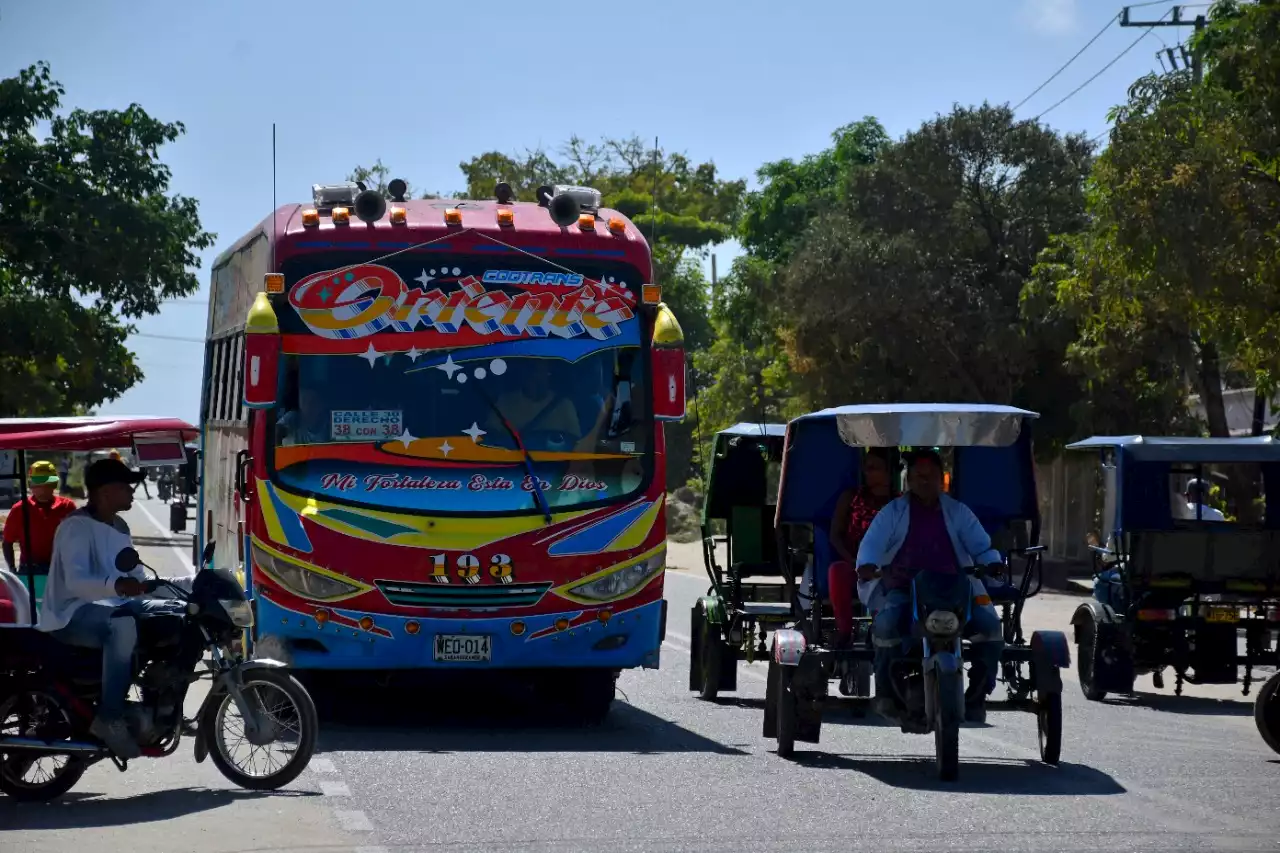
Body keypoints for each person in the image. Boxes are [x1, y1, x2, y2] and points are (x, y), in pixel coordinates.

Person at [38, 457, 191, 759]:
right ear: (105, 492)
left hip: (112, 604)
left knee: (179, 612)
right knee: (122, 624)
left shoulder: (118, 525)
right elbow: (78, 582)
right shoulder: (76, 528)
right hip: (70, 614)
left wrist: (189, 585)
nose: (132, 493)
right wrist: (118, 586)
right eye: (126, 487)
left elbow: (139, 580)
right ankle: (110, 717)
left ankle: (163, 700)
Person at [855, 448, 1005, 723]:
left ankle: (978, 695)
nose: (926, 482)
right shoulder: (892, 512)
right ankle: (887, 694)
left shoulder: (958, 512)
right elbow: (872, 546)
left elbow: (982, 547)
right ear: (909, 480)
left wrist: (992, 563)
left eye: (932, 476)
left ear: (942, 479)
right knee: (886, 624)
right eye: (919, 476)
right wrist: (868, 565)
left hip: (956, 589)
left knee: (990, 627)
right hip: (904, 590)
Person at [826, 448, 895, 649]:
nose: (868, 472)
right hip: (855, 563)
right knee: (836, 571)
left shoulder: (900, 503)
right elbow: (835, 535)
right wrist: (854, 562)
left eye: (874, 468)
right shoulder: (851, 497)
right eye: (867, 467)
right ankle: (845, 631)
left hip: (891, 567)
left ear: (889, 471)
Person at [3, 461, 78, 606]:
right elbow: (7, 542)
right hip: (30, 568)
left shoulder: (68, 507)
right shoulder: (20, 509)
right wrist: (13, 571)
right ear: (31, 485)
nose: (43, 489)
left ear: (55, 485)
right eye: (38, 484)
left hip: (61, 568)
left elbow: (79, 540)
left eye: (48, 484)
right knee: (30, 609)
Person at [486, 360, 582, 446]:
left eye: (541, 371)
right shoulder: (505, 402)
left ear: (549, 374)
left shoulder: (564, 405)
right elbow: (490, 437)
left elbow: (574, 442)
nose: (535, 376)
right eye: (531, 371)